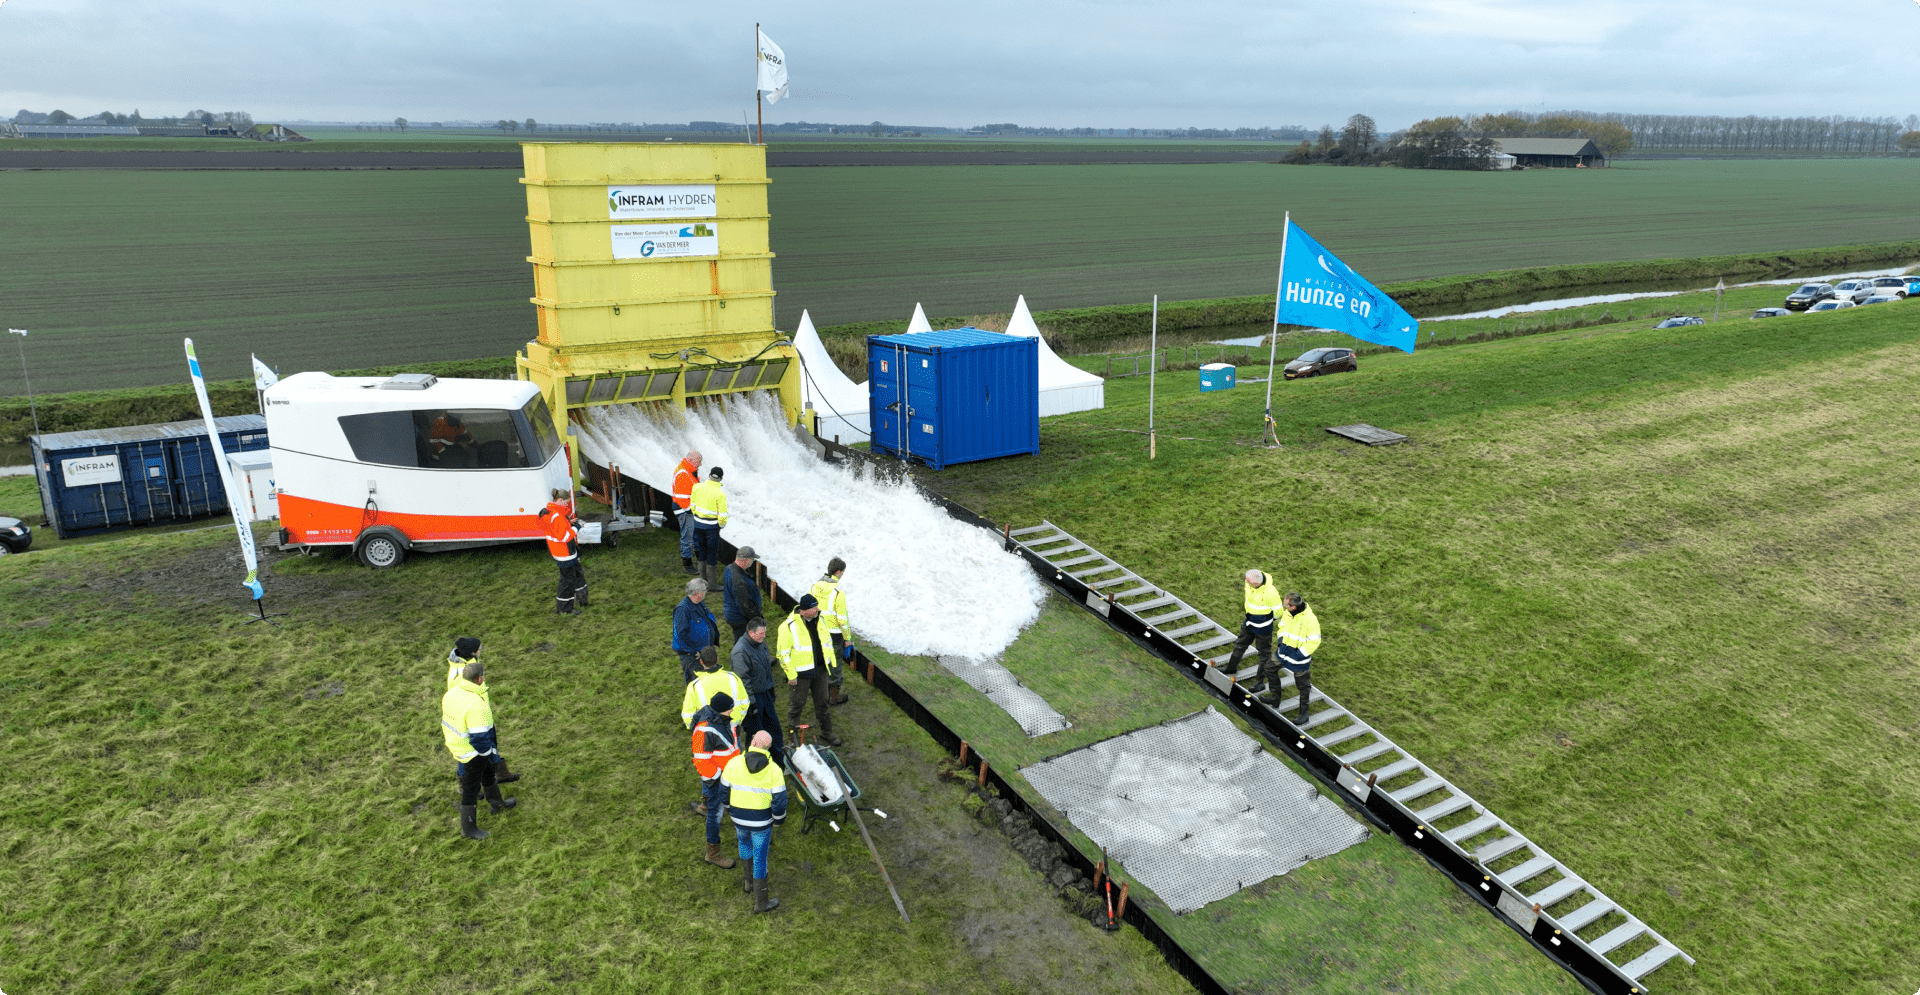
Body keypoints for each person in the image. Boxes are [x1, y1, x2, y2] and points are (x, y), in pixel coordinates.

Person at [440, 659, 517, 840]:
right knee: (471, 789)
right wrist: (490, 754)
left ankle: (497, 803)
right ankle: (469, 830)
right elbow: (480, 739)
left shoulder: (452, 693)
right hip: (472, 753)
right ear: (480, 679)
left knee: (488, 774)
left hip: (457, 743)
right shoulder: (477, 705)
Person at [720, 730, 787, 913]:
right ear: (768, 747)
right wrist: (778, 820)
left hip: (738, 819)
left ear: (752, 742)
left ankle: (748, 883)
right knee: (760, 859)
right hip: (761, 823)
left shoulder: (733, 763)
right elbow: (780, 802)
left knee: (744, 843)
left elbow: (723, 791)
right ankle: (761, 903)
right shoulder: (774, 770)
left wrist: (728, 808)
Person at [446, 637, 518, 783]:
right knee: (468, 754)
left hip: (477, 713)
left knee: (489, 744)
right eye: (480, 648)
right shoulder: (463, 672)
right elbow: (465, 697)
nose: (481, 650)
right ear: (473, 653)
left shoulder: (464, 664)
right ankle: (467, 784)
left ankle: (501, 773)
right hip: (472, 717)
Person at [778, 593, 841, 747]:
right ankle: (792, 740)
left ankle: (827, 733)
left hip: (820, 671)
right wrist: (791, 676)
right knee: (796, 706)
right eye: (814, 607)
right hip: (800, 676)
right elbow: (782, 654)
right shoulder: (788, 627)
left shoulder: (821, 620)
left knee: (823, 703)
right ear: (804, 610)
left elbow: (826, 643)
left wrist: (829, 663)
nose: (817, 609)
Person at [690, 691, 743, 869]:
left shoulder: (724, 720)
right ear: (721, 710)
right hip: (720, 781)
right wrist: (717, 779)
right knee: (715, 814)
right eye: (730, 709)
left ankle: (745, 835)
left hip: (731, 775)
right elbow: (700, 761)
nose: (732, 711)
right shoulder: (703, 730)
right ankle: (713, 853)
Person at [730, 616, 785, 769]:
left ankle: (778, 760)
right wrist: (752, 704)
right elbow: (743, 681)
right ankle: (753, 764)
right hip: (752, 699)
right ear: (751, 633)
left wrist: (771, 687)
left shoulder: (760, 643)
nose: (764, 636)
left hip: (765, 693)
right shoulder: (740, 652)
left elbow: (767, 668)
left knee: (774, 727)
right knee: (755, 733)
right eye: (761, 633)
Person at [1222, 569, 1283, 691]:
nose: (1247, 584)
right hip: (1249, 622)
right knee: (1240, 644)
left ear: (1257, 584)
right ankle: (1231, 668)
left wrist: (1266, 620)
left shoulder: (1271, 594)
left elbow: (1279, 612)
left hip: (1263, 627)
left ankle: (1259, 683)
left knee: (1263, 654)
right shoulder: (1249, 581)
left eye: (1249, 583)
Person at [808, 557, 856, 706]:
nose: (842, 575)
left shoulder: (815, 586)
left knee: (820, 661)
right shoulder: (838, 594)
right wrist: (847, 639)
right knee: (834, 665)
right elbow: (842, 619)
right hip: (834, 635)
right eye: (842, 572)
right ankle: (833, 697)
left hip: (817, 631)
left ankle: (818, 690)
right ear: (838, 572)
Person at [1271, 592, 1322, 722]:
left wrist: (1299, 654)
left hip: (1299, 658)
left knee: (1303, 687)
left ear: (1293, 607)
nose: (1284, 606)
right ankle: (1275, 699)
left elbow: (1314, 641)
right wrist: (1281, 642)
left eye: (1286, 605)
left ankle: (1303, 715)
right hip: (1283, 652)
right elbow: (1281, 627)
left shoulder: (1311, 619)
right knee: (1269, 669)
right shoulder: (1287, 613)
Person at [681, 645, 749, 731]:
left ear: (701, 662)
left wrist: (699, 730)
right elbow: (745, 703)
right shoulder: (733, 678)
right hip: (732, 729)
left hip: (708, 734)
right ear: (717, 659)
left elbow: (687, 716)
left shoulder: (694, 686)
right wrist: (736, 722)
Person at [541, 489, 587, 614]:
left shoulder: (550, 512)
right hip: (565, 553)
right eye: (566, 502)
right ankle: (565, 609)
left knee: (574, 576)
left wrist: (568, 523)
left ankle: (581, 599)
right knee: (567, 582)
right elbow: (565, 537)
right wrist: (577, 527)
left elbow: (555, 530)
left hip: (560, 552)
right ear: (560, 500)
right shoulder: (558, 517)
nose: (567, 504)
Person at [672, 577, 720, 685]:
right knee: (696, 684)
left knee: (707, 682)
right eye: (705, 591)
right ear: (698, 593)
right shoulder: (682, 609)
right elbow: (681, 634)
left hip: (702, 650)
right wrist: (695, 651)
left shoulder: (698, 603)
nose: (706, 593)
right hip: (692, 656)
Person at [688, 466, 729, 587]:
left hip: (698, 525)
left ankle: (702, 580)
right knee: (712, 553)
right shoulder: (720, 494)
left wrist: (698, 517)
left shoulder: (697, 487)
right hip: (712, 528)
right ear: (721, 479)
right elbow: (722, 516)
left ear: (710, 475)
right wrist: (720, 526)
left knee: (701, 551)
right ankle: (711, 584)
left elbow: (692, 506)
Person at [721, 546, 763, 647]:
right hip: (739, 617)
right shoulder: (739, 580)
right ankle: (744, 660)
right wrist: (756, 618)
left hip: (731, 612)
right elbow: (744, 604)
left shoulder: (729, 568)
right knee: (745, 641)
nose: (753, 562)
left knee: (741, 639)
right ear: (747, 560)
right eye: (753, 559)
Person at [672, 449, 702, 575]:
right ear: (692, 460)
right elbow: (682, 498)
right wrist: (692, 512)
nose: (700, 465)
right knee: (688, 537)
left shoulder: (687, 469)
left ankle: (699, 560)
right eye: (699, 462)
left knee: (694, 535)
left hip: (687, 509)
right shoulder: (684, 473)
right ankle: (687, 564)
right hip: (684, 510)